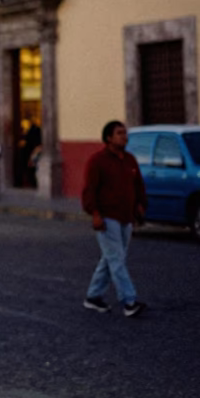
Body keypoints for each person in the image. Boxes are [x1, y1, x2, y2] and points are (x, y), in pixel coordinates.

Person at [82, 120, 147, 318]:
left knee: (111, 259)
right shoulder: (97, 161)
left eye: (125, 133)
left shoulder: (129, 160)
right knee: (116, 259)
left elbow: (138, 186)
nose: (124, 137)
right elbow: (90, 190)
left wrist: (140, 206)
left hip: (125, 217)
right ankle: (129, 301)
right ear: (108, 138)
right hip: (106, 217)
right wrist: (94, 213)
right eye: (119, 133)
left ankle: (93, 296)